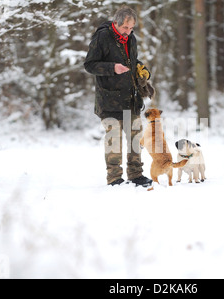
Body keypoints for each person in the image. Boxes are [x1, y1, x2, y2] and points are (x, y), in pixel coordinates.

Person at [84, 6, 153, 187]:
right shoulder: (102, 37)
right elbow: (90, 65)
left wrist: (141, 68)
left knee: (135, 138)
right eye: (125, 28)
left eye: (131, 29)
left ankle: (136, 174)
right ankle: (114, 177)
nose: (128, 32)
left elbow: (132, 61)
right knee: (114, 139)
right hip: (109, 99)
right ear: (116, 23)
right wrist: (112, 68)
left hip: (131, 97)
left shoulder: (131, 39)